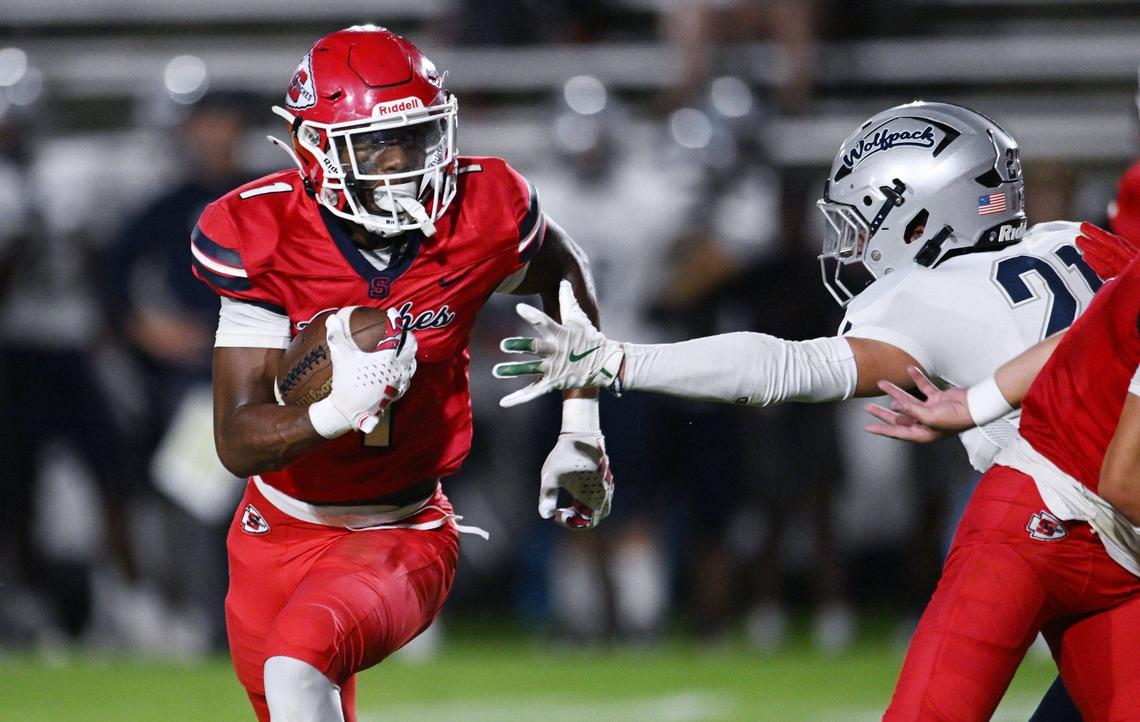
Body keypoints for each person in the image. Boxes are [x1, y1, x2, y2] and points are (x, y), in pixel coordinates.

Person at [491, 101, 1132, 713]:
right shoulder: (1081, 242)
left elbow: (784, 367)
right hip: (1091, 509)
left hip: (1053, 515)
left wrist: (620, 359)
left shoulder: (923, 294)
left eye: (865, 220)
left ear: (920, 218)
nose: (853, 244)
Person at [192, 26, 613, 721]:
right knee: (290, 696)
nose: (400, 163)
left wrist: (581, 425)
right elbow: (237, 440)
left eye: (414, 139)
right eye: (374, 145)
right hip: (276, 524)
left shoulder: (481, 208)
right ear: (314, 148)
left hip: (403, 528)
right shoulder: (262, 230)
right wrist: (335, 410)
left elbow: (565, 272)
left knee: (297, 671)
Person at [861, 246, 1140, 719]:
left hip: (1124, 559)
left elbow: (1095, 325)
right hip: (1040, 514)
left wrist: (978, 402)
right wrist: (977, 404)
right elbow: (1124, 482)